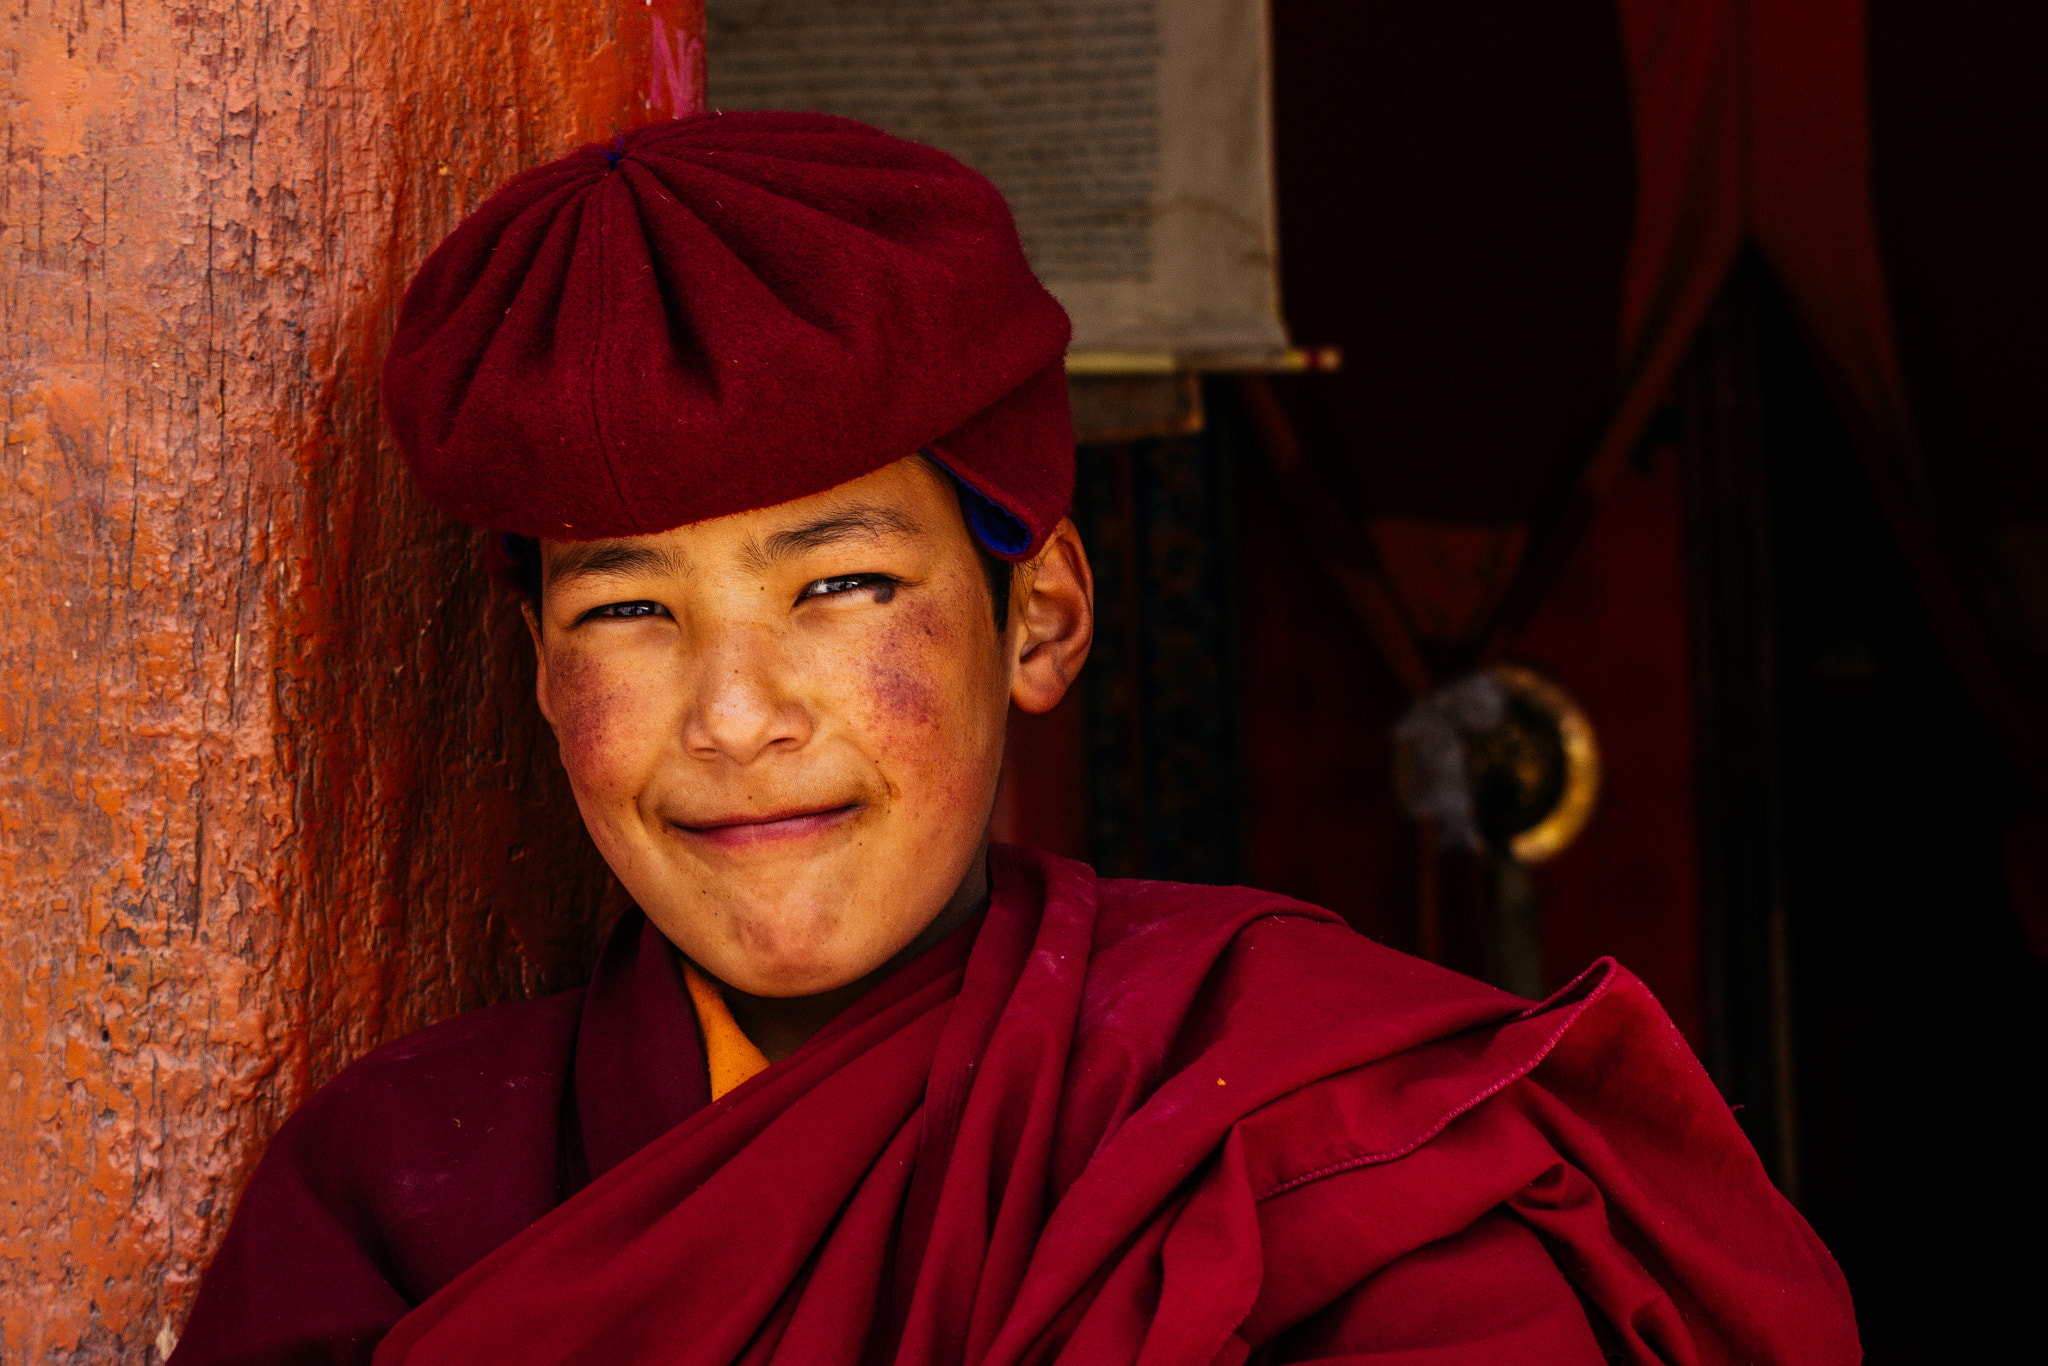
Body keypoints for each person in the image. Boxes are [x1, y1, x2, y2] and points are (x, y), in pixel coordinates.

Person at [170, 112, 1858, 1365]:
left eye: (836, 582)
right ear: (539, 671)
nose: (737, 715)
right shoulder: (398, 1184)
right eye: (628, 610)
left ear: (1039, 617)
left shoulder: (1296, 1114)